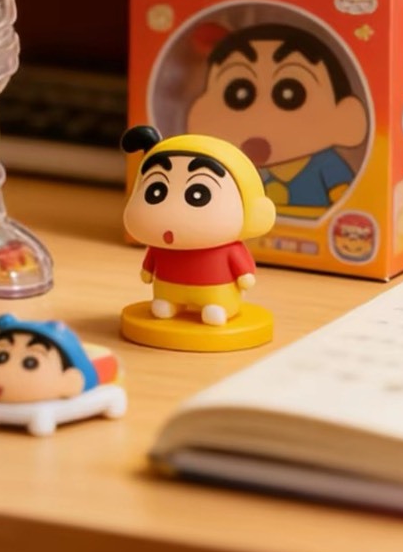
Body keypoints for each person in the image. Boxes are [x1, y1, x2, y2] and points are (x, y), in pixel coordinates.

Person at [186, 22, 367, 215]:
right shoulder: (240, 169)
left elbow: (348, 202)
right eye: (238, 94)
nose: (260, 116)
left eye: (290, 95)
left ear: (345, 115)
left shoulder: (326, 164)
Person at [121, 126, 276, 326]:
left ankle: (219, 307)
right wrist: (148, 270)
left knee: (214, 309)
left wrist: (245, 275)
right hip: (168, 287)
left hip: (216, 291)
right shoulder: (160, 247)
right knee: (163, 305)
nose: (173, 211)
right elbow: (152, 258)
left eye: (198, 194)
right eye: (156, 191)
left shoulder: (227, 247)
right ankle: (169, 303)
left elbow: (240, 263)